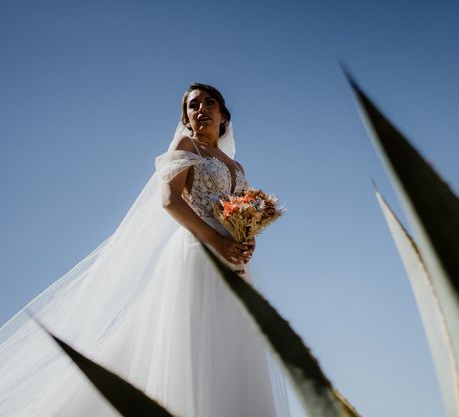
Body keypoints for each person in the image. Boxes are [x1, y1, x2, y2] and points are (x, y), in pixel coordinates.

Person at [0, 83, 290, 416]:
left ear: (223, 115)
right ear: (186, 117)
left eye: (210, 103)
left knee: (235, 345)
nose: (202, 109)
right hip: (199, 251)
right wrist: (218, 242)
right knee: (197, 346)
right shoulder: (186, 145)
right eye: (193, 105)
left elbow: (242, 211)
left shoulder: (237, 168)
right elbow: (169, 200)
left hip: (236, 260)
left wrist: (247, 237)